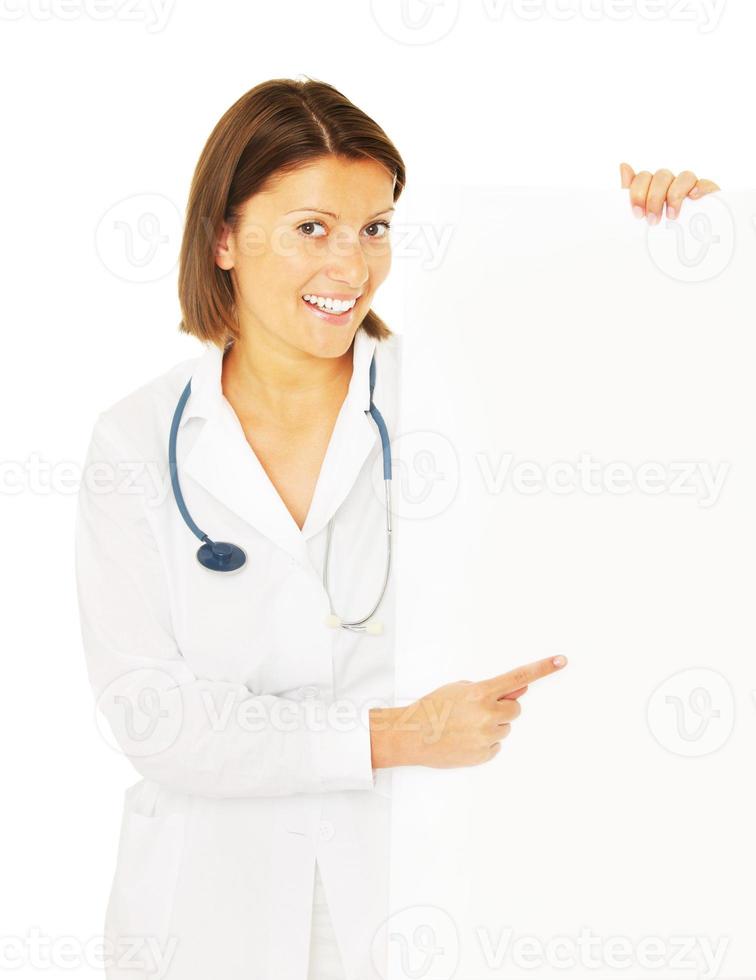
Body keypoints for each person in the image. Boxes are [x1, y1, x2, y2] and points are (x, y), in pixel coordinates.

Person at [74, 75, 721, 980]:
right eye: (313, 229)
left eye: (374, 228)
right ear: (223, 237)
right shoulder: (135, 440)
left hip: (408, 895)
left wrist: (673, 248)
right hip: (202, 913)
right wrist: (396, 735)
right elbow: (153, 719)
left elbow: (648, 423)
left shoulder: (455, 400)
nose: (352, 267)